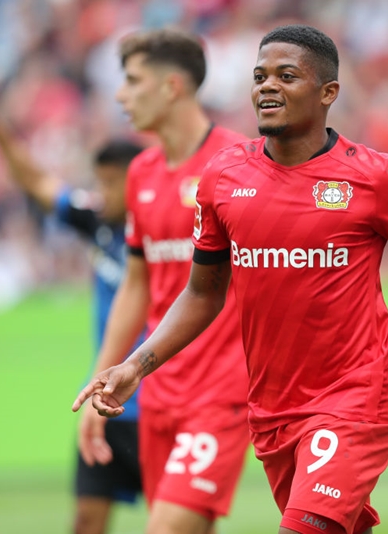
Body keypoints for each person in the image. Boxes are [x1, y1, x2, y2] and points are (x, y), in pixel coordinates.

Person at [73, 24, 388, 534]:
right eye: (260, 76)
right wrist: (136, 365)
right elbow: (202, 293)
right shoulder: (224, 178)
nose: (267, 87)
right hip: (272, 408)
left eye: (286, 76)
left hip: (354, 398)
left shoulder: (376, 178)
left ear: (328, 92)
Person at [77, 28, 251, 534]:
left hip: (220, 392)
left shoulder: (240, 164)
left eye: (132, 81)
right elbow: (136, 285)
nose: (120, 95)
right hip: (156, 393)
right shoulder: (142, 173)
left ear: (171, 87)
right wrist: (101, 378)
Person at [0, 62, 144, 534]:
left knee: (176, 522)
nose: (101, 193)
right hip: (105, 398)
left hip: (165, 400)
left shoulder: (172, 229)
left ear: (140, 183)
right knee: (86, 520)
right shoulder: (98, 222)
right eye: (99, 182)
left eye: (111, 183)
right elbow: (36, 181)